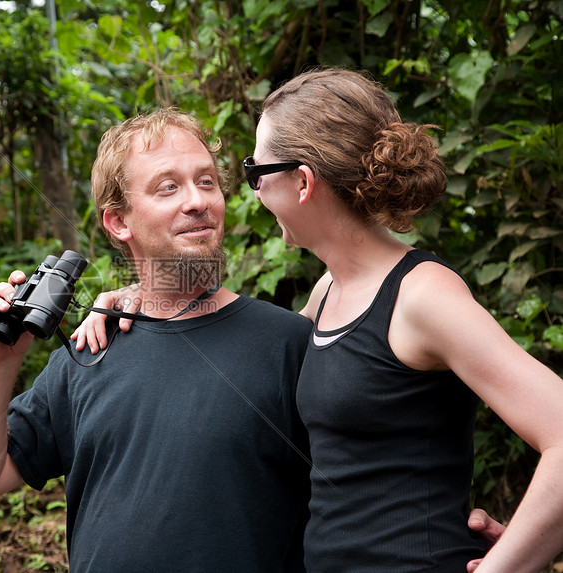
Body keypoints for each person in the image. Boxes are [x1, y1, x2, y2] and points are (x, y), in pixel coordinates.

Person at [74, 68, 563, 572]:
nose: (253, 192)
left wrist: (513, 561)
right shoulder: (330, 292)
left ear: (302, 182)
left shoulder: (422, 295)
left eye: (257, 172)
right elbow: (244, 345)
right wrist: (144, 297)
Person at [0, 108, 313, 571]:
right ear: (119, 222)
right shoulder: (88, 351)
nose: (197, 201)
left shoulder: (289, 345)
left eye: (206, 182)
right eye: (168, 187)